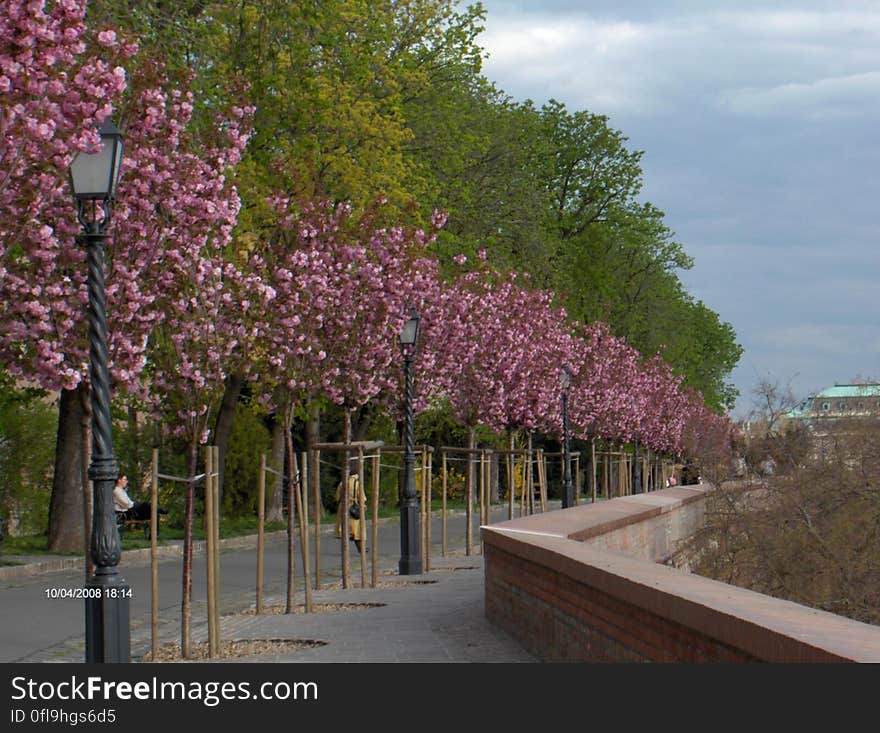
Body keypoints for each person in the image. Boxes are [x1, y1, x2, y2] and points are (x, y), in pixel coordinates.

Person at [335, 463, 367, 555]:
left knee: (345, 531)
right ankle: (361, 550)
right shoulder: (357, 484)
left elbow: (337, 497)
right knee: (357, 531)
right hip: (354, 509)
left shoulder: (342, 483)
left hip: (343, 508)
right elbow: (362, 498)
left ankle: (344, 551)